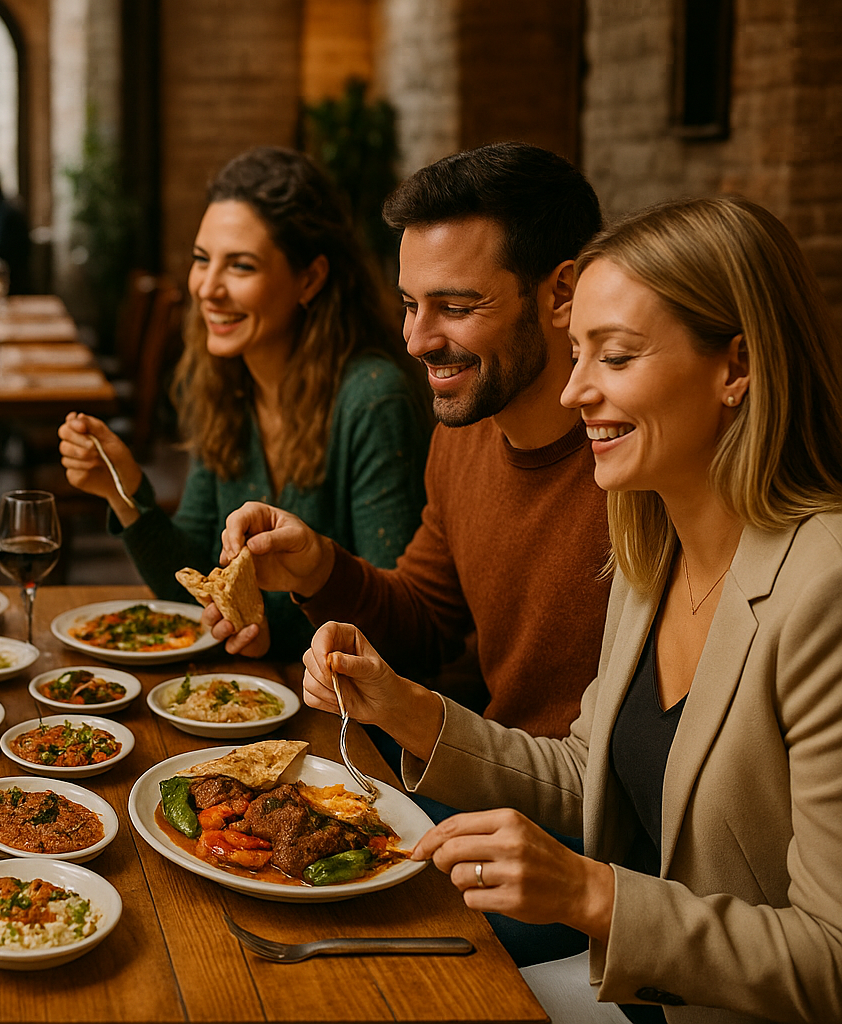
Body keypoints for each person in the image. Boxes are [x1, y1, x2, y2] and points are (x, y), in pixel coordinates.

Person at [305, 194, 842, 1024]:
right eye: (577, 354)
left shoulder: (825, 589)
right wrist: (407, 710)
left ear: (736, 367)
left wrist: (589, 893)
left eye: (616, 357)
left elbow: (831, 960)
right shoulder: (650, 543)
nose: (574, 392)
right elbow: (587, 774)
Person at [222, 142, 609, 739]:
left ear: (562, 293)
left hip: (576, 818)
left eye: (455, 306)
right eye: (410, 305)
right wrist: (318, 568)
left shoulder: (636, 461)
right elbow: (426, 624)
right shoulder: (463, 437)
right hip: (493, 787)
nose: (417, 340)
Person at [58, 146, 430, 660]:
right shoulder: (225, 381)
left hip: (354, 721)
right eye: (201, 260)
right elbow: (192, 585)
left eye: (241, 266)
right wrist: (122, 492)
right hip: (265, 692)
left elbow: (397, 627)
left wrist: (267, 629)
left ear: (310, 278)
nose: (208, 288)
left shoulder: (371, 398)